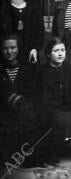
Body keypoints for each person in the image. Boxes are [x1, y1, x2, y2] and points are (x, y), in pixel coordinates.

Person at [37, 37, 71, 165]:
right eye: (56, 51)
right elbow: (43, 97)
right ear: (48, 54)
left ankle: (70, 148)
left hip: (69, 107)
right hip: (50, 108)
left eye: (63, 50)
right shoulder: (42, 71)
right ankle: (52, 154)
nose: (60, 54)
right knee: (57, 120)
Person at [0, 34, 41, 166]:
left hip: (23, 110)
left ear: (18, 48)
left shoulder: (26, 68)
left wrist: (23, 102)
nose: (9, 51)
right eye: (5, 48)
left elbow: (33, 92)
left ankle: (26, 158)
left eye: (13, 47)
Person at [0, 0, 44, 64]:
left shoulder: (34, 3)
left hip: (30, 53)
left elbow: (40, 30)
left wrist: (35, 49)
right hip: (8, 55)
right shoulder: (2, 4)